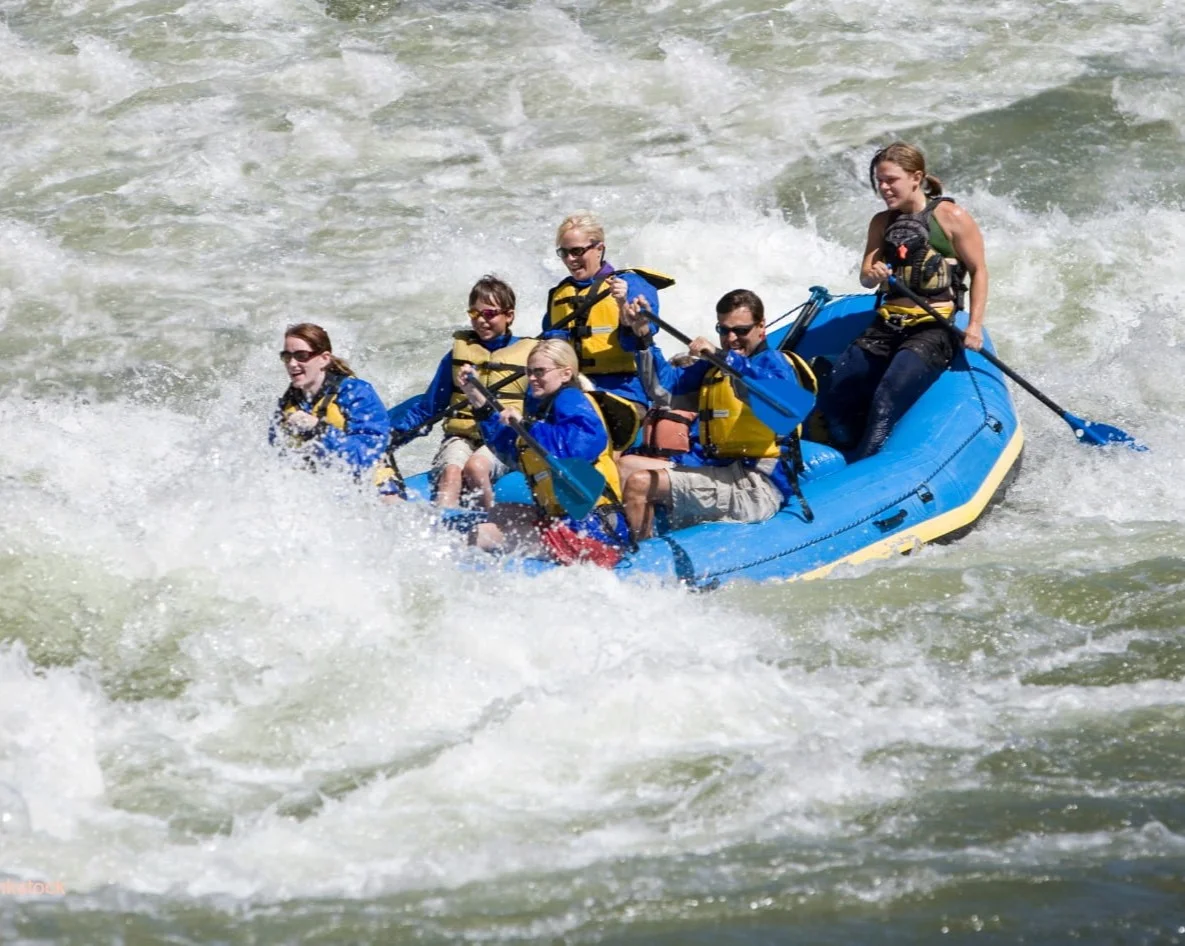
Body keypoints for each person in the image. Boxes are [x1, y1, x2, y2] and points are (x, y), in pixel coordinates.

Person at [822, 141, 989, 460]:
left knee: (885, 399)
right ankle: (842, 453)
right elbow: (865, 276)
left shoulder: (951, 217)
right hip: (887, 324)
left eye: (890, 180)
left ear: (916, 177)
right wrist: (876, 275)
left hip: (933, 328)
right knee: (835, 394)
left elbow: (980, 270)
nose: (883, 188)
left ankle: (865, 464)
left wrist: (976, 325)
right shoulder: (881, 223)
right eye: (879, 181)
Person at [617, 289, 824, 540]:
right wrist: (643, 336)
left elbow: (785, 407)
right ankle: (617, 540)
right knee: (625, 466)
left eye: (741, 331)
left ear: (761, 326)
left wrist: (726, 359)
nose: (731, 338)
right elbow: (663, 389)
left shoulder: (772, 363)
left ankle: (645, 561)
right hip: (720, 470)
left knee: (640, 483)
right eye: (724, 331)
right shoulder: (712, 367)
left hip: (756, 485)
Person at [457, 339, 631, 567]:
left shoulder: (572, 399)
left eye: (540, 371)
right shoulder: (545, 411)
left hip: (594, 537)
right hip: (569, 524)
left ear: (566, 373)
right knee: (499, 512)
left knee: (480, 534)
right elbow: (510, 450)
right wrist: (478, 400)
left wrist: (529, 426)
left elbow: (578, 447)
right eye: (529, 372)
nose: (532, 378)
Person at [387, 275, 535, 509]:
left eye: (490, 314)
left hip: (504, 439)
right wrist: (394, 435)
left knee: (476, 466)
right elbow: (430, 407)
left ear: (509, 316)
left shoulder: (530, 356)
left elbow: (541, 408)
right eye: (475, 314)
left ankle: (488, 523)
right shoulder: (457, 355)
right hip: (462, 437)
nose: (481, 321)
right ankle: (443, 528)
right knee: (452, 473)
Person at [541, 211, 675, 416]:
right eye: (564, 253)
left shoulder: (631, 283)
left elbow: (644, 335)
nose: (570, 259)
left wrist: (625, 309)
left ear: (599, 249)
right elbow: (550, 348)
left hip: (623, 392)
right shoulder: (558, 295)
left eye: (577, 251)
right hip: (574, 393)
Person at [271, 323, 403, 497]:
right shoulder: (287, 403)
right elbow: (276, 455)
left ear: (324, 358)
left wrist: (319, 429)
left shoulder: (356, 393)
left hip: (373, 489)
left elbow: (367, 455)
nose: (292, 364)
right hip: (320, 492)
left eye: (301, 356)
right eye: (287, 357)